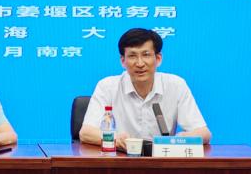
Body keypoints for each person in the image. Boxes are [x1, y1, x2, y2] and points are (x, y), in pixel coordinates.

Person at [79, 27, 211, 150]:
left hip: (161, 160)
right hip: (120, 159)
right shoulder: (107, 87)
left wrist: (180, 139)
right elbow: (86, 133)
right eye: (132, 56)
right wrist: (116, 139)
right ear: (123, 61)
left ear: (158, 59)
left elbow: (204, 134)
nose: (140, 63)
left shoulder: (176, 85)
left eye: (146, 55)